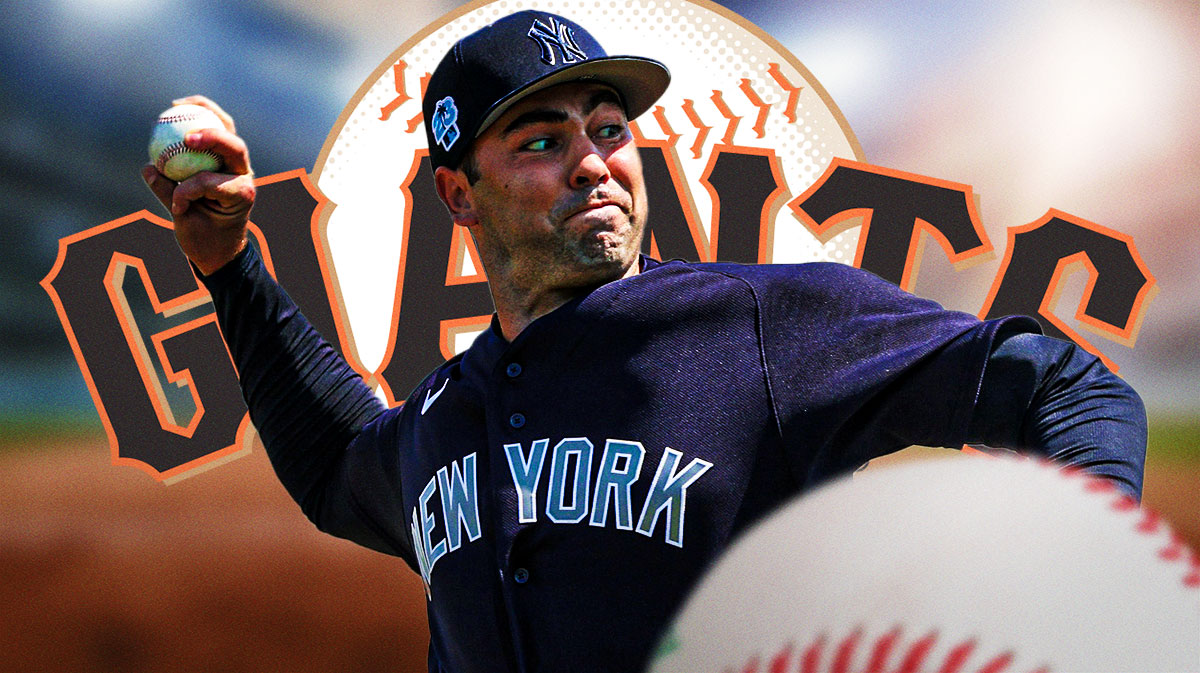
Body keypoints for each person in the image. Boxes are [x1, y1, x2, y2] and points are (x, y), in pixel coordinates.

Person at [141, 10, 1146, 673]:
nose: (593, 162)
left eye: (609, 128)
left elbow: (1065, 384)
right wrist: (230, 264)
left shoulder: (757, 325)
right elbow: (334, 466)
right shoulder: (450, 416)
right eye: (540, 140)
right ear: (459, 192)